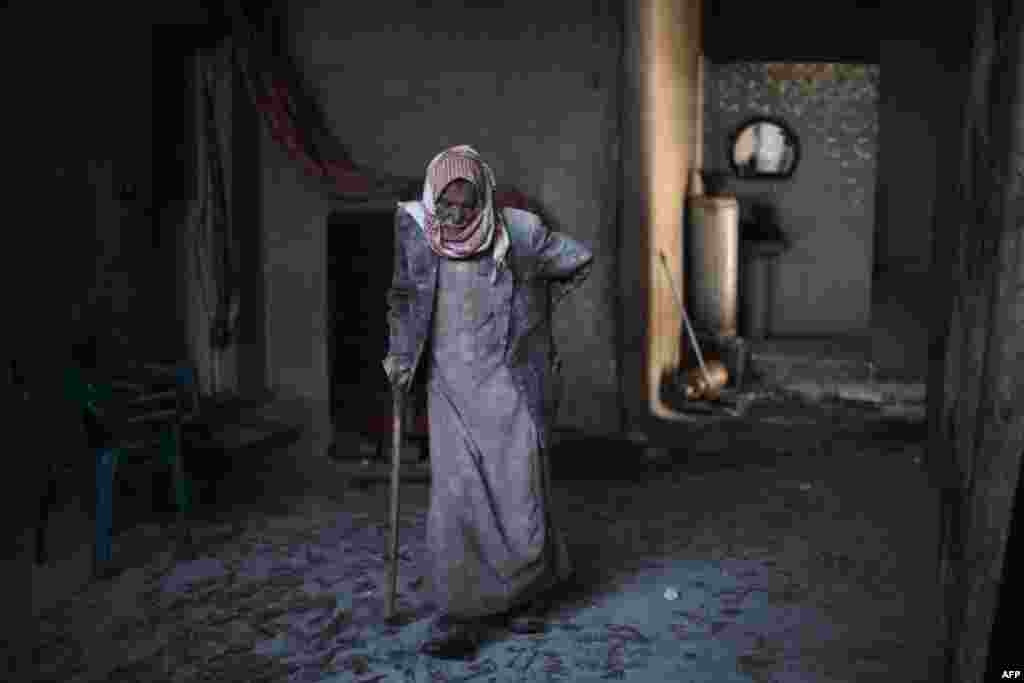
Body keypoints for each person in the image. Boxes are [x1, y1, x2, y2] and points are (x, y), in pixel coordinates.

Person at [383, 145, 593, 658]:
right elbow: (405, 297)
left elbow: (576, 260)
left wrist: (540, 312)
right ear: (433, 197)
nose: (455, 214)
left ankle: (524, 599)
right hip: (449, 388)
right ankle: (461, 614)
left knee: (519, 497)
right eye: (446, 203)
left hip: (510, 386)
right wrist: (401, 353)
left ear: (484, 198)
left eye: (467, 203)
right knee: (456, 503)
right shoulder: (415, 228)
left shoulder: (519, 232)